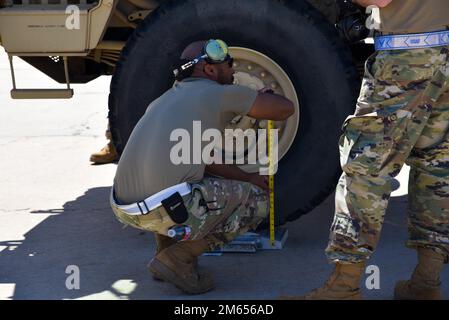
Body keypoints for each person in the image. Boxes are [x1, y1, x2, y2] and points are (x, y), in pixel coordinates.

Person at [110, 39, 294, 294]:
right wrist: (263, 98)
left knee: (177, 184)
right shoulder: (218, 94)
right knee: (257, 201)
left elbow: (204, 161)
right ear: (208, 70)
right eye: (229, 64)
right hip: (165, 207)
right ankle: (178, 258)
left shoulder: (164, 100)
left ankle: (164, 254)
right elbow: (285, 109)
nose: (232, 70)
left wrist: (246, 177)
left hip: (124, 209)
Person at [292, 0, 449, 300]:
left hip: (408, 55)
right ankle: (426, 282)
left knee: (365, 168)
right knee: (437, 169)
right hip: (443, 52)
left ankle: (343, 286)